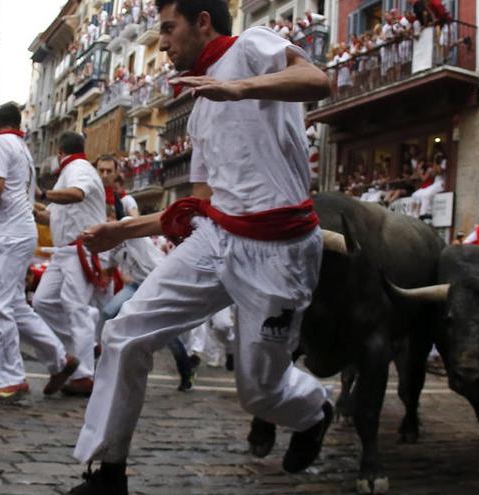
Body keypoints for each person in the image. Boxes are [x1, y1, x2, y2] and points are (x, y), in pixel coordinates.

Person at [66, 1, 334, 492]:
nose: (163, 43)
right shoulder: (197, 114)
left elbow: (318, 80)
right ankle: (107, 472)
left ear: (203, 22)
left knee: (259, 394)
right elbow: (198, 205)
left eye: (169, 30)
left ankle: (314, 410)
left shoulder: (252, 46)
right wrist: (122, 230)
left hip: (280, 253)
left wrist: (239, 87)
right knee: (125, 332)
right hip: (217, 239)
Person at [0, 104, 79, 403]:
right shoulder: (22, 149)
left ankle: (12, 379)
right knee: (15, 306)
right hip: (19, 231)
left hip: (9, 233)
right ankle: (60, 360)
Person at [33, 132, 107, 397]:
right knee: (42, 302)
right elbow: (46, 218)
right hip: (63, 252)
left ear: (61, 152)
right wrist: (28, 204)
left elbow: (76, 194)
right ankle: (87, 343)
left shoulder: (79, 169)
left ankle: (84, 375)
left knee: (75, 308)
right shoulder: (66, 177)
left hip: (80, 248)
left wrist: (42, 191)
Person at [97, 213, 193, 391]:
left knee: (168, 335)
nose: (106, 224)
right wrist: (105, 276)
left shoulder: (127, 226)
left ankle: (187, 374)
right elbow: (110, 267)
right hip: (136, 285)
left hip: (158, 282)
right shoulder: (114, 246)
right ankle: (101, 350)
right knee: (108, 312)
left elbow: (128, 223)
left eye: (109, 221)